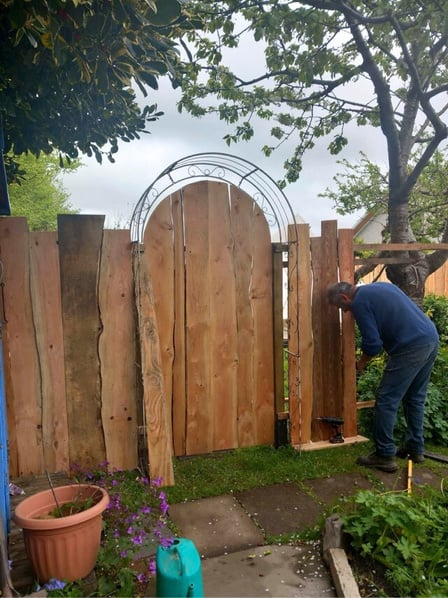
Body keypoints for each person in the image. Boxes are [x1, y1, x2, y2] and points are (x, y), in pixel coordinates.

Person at [327, 281, 439, 473]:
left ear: (345, 298)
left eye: (341, 307)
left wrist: (360, 364)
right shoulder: (379, 287)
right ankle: (415, 448)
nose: (345, 313)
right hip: (430, 339)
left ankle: (385, 455)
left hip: (410, 347)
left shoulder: (360, 302)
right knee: (414, 399)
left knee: (386, 399)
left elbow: (373, 344)